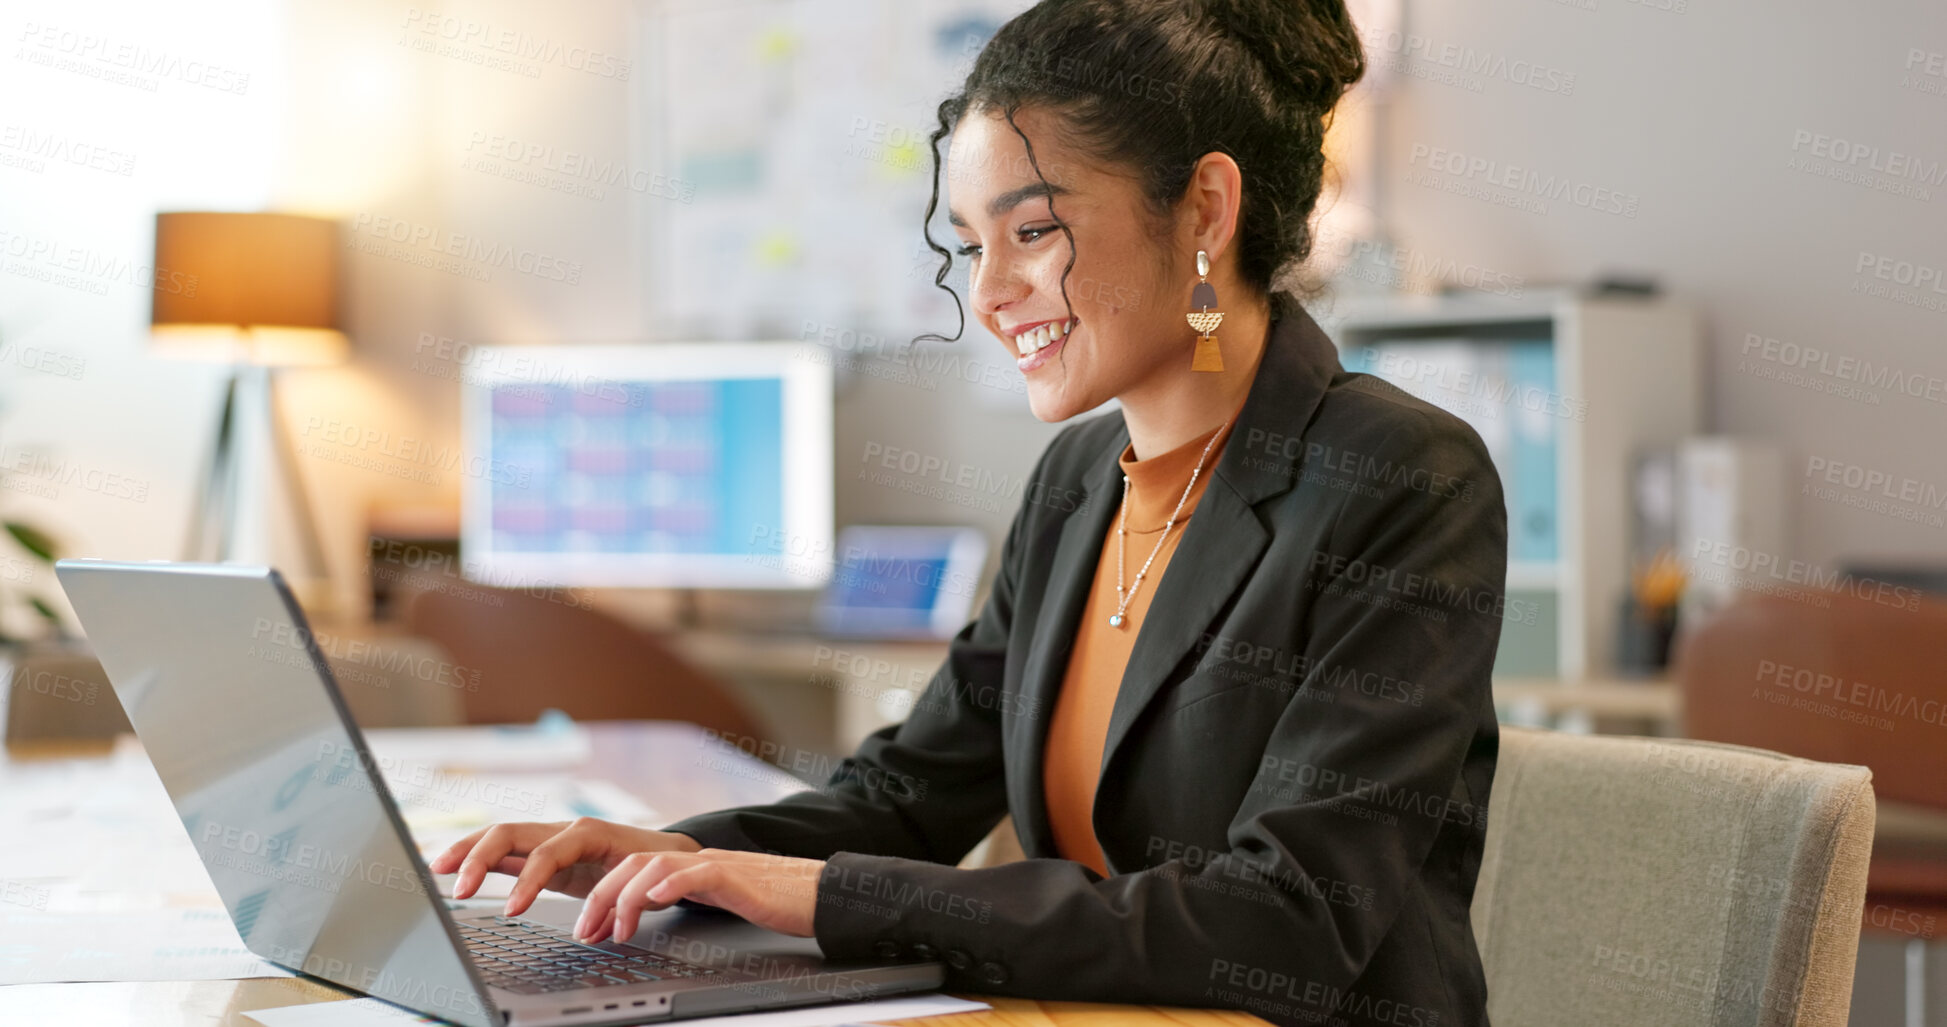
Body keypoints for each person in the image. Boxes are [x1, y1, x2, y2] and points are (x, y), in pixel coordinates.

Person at [431, 2, 1507, 1023]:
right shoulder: (1081, 479)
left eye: (1032, 230)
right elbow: (908, 796)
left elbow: (1285, 925)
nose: (988, 291)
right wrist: (659, 854)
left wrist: (827, 897)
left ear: (1206, 212)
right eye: (967, 244)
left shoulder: (1403, 478)